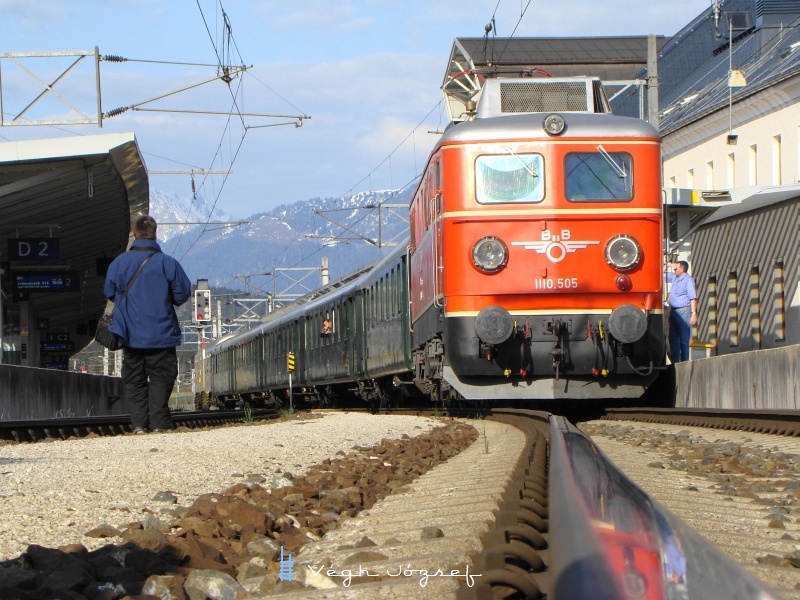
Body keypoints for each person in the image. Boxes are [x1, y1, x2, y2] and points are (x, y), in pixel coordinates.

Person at [103, 215, 191, 433]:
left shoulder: (119, 263)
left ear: (134, 234)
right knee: (162, 378)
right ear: (155, 233)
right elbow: (182, 294)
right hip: (162, 334)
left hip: (130, 334)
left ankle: (139, 425)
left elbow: (108, 292)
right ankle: (160, 424)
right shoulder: (168, 263)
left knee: (134, 380)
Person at [665, 260, 698, 363]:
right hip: (673, 311)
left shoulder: (688, 280)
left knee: (684, 339)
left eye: (676, 268)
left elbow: (693, 297)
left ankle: (684, 362)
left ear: (682, 269)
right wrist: (668, 265)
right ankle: (675, 362)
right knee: (673, 339)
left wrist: (693, 313)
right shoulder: (675, 277)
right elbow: (661, 275)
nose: (674, 270)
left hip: (684, 311)